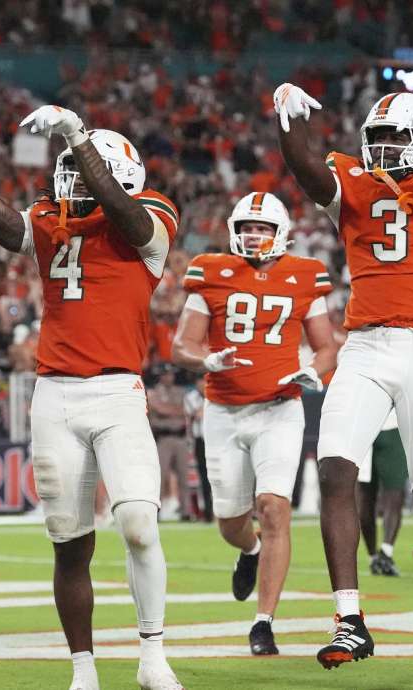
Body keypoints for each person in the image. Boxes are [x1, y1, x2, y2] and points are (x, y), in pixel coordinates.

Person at [0, 104, 184, 689]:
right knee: (69, 543)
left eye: (85, 172)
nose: (71, 182)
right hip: (54, 395)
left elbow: (128, 220)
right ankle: (83, 669)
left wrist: (80, 135)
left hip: (116, 391)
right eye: (70, 170)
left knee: (137, 523)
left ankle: (152, 656)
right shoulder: (49, 222)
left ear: (117, 174)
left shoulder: (150, 217)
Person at [275, 83, 413, 688]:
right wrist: (289, 119)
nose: (384, 149)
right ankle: (349, 618)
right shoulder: (356, 186)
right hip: (362, 343)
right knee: (335, 468)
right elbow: (308, 169)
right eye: (377, 139)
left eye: (396, 137)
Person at [171, 190, 338, 655]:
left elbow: (327, 346)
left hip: (279, 409)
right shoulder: (212, 271)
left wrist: (314, 371)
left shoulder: (304, 275)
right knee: (230, 522)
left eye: (262, 228)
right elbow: (181, 346)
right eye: (246, 227)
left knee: (274, 505)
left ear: (280, 233)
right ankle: (250, 550)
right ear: (233, 231)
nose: (253, 235)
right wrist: (207, 361)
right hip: (223, 411)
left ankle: (263, 622)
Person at [358, 411, 407, 577]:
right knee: (394, 494)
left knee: (365, 497)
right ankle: (385, 553)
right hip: (391, 426)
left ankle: (374, 556)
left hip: (364, 428)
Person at [146, 364, 188, 520]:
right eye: (166, 374)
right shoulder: (153, 392)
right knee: (160, 477)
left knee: (184, 477)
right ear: (160, 376)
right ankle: (155, 514)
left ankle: (186, 512)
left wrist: (165, 409)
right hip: (162, 438)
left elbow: (186, 411)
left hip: (180, 437)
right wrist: (175, 410)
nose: (169, 377)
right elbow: (159, 410)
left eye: (171, 374)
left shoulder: (181, 391)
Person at [182, 377, 212, 523]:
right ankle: (207, 512)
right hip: (199, 439)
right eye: (200, 381)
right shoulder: (191, 397)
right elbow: (193, 414)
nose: (203, 385)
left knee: (218, 476)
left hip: (215, 439)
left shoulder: (215, 393)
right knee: (203, 477)